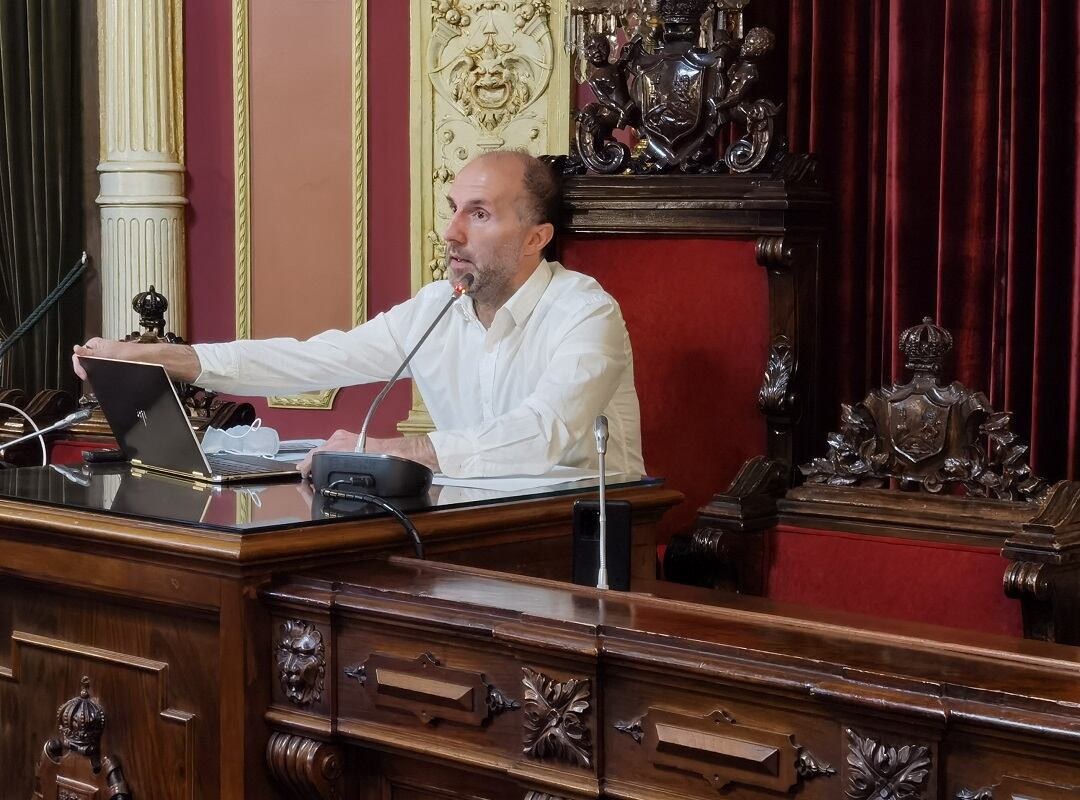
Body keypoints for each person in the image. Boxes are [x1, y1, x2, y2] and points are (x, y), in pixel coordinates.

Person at [73, 150, 644, 478]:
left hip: (582, 540)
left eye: (479, 214)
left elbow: (543, 434)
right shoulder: (436, 309)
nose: (451, 233)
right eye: (452, 211)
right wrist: (163, 358)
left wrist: (394, 450)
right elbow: (312, 360)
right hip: (465, 535)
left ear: (535, 238)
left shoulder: (586, 313)